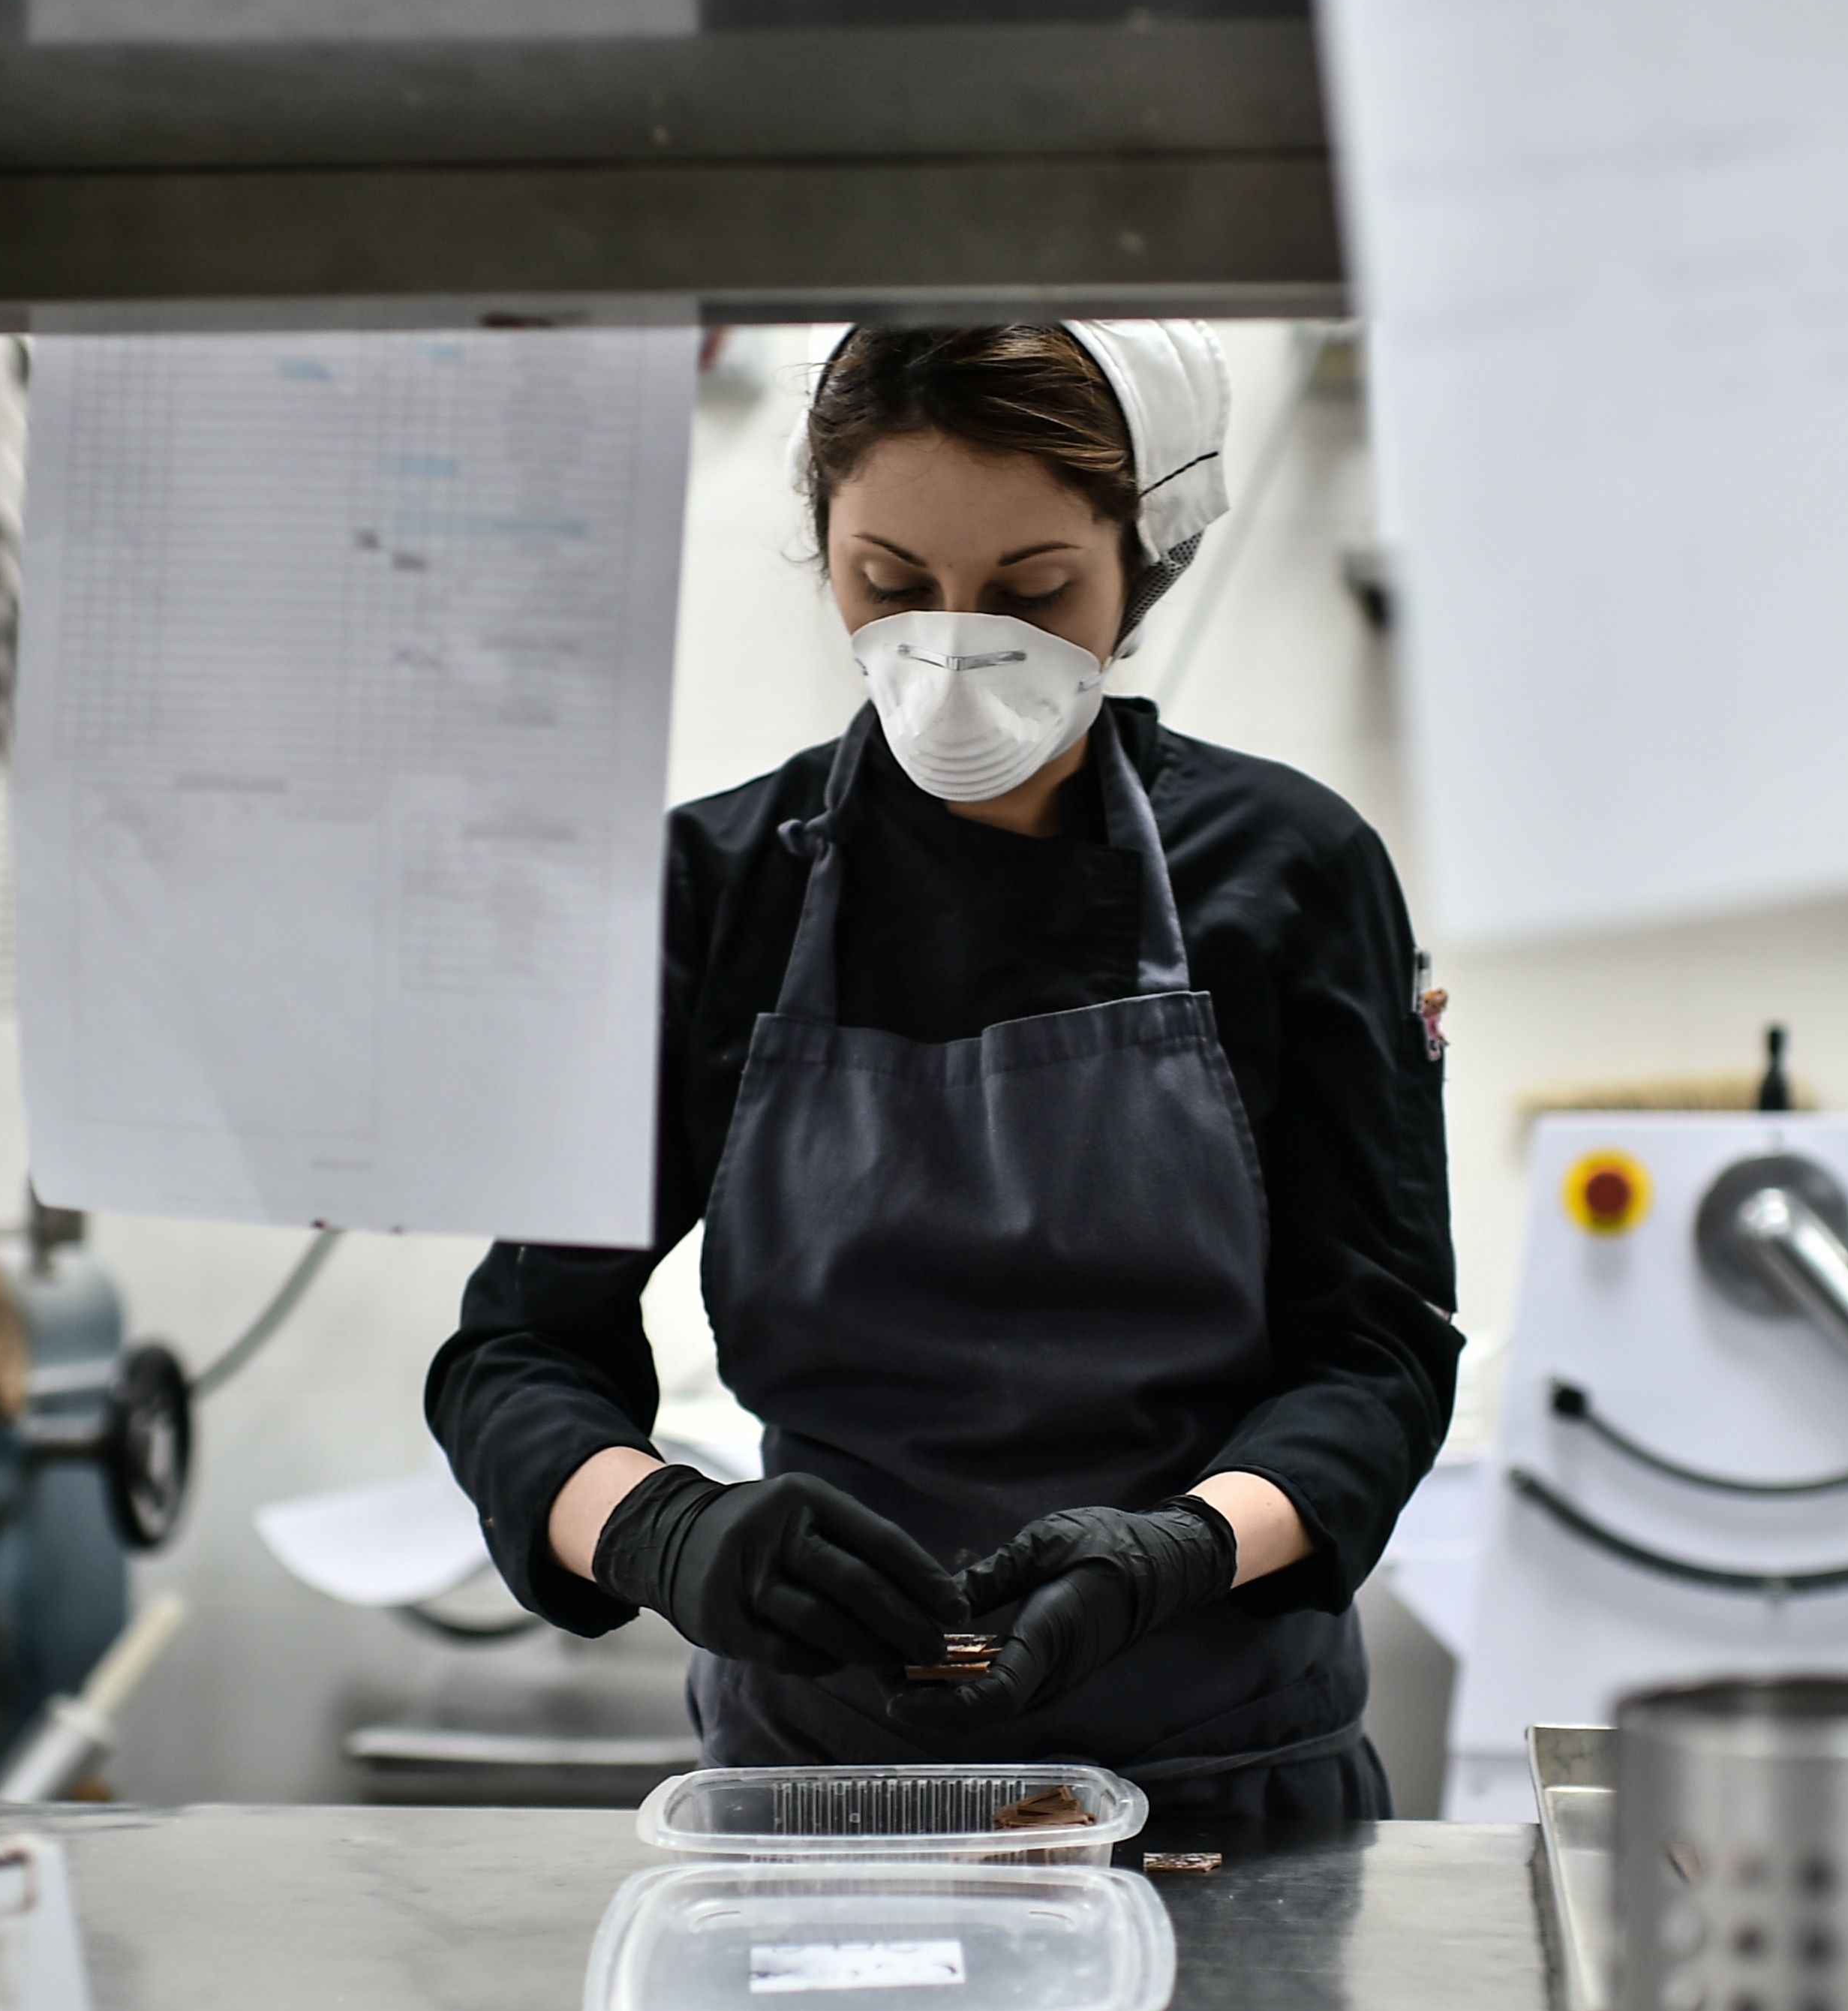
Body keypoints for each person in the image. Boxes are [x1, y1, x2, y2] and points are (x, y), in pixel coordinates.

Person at [426, 322, 1459, 1836]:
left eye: (1036, 592)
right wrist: (664, 1530)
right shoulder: (717, 895)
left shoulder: (1289, 873)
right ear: (826, 546)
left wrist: (1177, 1546)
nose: (956, 641)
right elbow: (516, 1356)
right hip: (826, 1792)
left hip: (1225, 1790)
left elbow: (1375, 1354)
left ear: (1142, 564)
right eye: (891, 584)